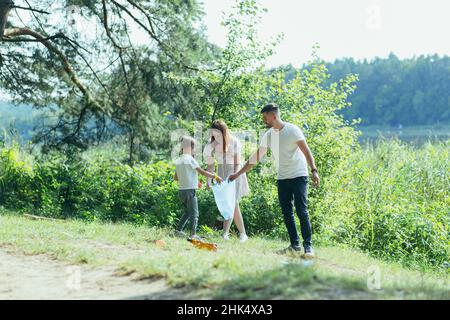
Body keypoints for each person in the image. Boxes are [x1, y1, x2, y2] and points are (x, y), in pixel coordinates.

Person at [229, 103, 320, 258]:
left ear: (274, 116)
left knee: (301, 210)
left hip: (299, 175)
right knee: (287, 213)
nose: (264, 120)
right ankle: (294, 245)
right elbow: (255, 158)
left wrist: (314, 171)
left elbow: (306, 151)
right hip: (283, 177)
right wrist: (238, 173)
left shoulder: (292, 130)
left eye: (265, 117)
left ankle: (308, 247)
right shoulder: (269, 135)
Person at [204, 120, 250, 243]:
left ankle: (225, 233)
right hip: (220, 173)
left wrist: (233, 176)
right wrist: (208, 180)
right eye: (213, 134)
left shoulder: (234, 142)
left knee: (232, 202)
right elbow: (210, 166)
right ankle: (242, 234)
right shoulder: (210, 144)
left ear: (223, 132)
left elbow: (237, 163)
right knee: (228, 204)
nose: (215, 137)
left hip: (234, 173)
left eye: (217, 134)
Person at [174, 136, 223, 240]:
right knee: (194, 214)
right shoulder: (191, 160)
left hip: (181, 191)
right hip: (190, 191)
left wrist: (194, 181)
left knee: (187, 212)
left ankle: (178, 230)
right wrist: (215, 176)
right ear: (190, 148)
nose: (195, 150)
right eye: (195, 147)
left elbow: (176, 177)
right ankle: (193, 234)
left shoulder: (179, 160)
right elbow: (202, 172)